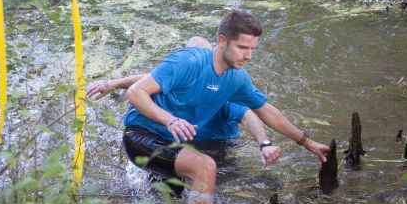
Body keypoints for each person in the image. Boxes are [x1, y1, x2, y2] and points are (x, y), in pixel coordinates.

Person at [123, 10, 330, 204]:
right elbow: (135, 92)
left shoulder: (237, 78)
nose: (249, 56)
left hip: (175, 144)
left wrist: (307, 142)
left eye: (253, 49)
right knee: (206, 167)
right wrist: (169, 119)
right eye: (243, 48)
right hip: (142, 135)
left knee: (166, 202)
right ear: (223, 41)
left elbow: (268, 112)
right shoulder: (189, 61)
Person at [86, 37, 274, 168]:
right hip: (182, 138)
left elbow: (249, 116)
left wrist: (264, 143)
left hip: (217, 143)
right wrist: (112, 84)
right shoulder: (187, 72)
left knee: (217, 176)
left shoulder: (224, 85)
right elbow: (148, 80)